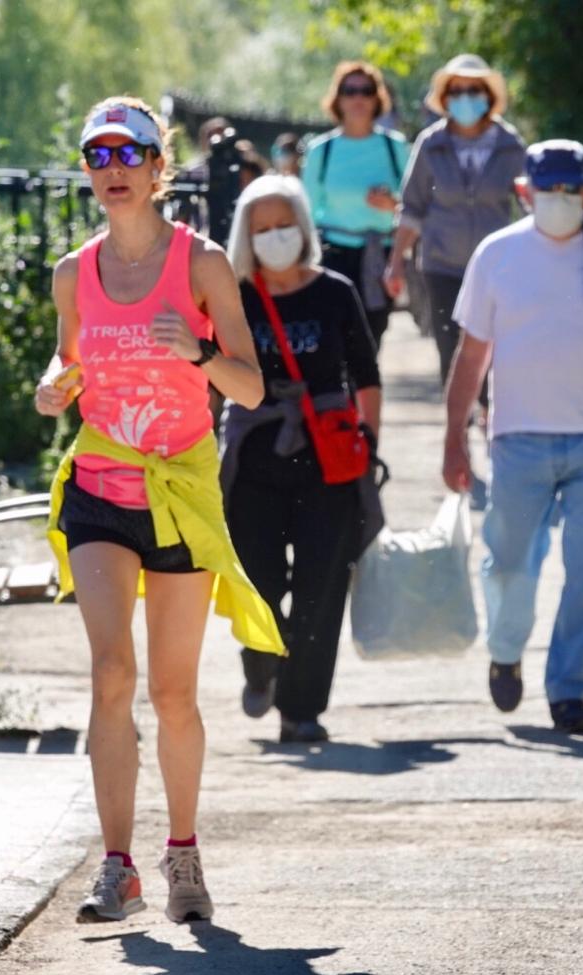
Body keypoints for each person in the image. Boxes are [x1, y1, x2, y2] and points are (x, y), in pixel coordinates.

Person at [35, 96, 284, 926]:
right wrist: (53, 383)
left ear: (156, 166)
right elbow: (69, 359)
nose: (111, 170)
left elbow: (250, 385)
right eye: (95, 157)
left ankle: (182, 854)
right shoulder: (74, 272)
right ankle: (116, 867)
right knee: (112, 674)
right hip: (102, 486)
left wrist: (201, 350)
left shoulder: (202, 263)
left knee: (174, 692)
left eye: (127, 154)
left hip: (180, 492)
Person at [443, 139, 583, 735]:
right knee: (510, 563)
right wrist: (453, 438)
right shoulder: (498, 255)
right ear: (526, 193)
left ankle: (568, 690)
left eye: (572, 190)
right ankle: (507, 648)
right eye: (550, 190)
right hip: (519, 441)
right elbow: (473, 355)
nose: (561, 200)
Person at [221, 175, 382, 744]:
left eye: (284, 225)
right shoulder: (232, 294)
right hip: (254, 457)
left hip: (329, 459)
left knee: (321, 585)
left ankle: (301, 708)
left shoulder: (335, 291)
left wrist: (370, 449)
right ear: (246, 234)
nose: (275, 237)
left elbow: (366, 375)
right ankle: (261, 659)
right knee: (258, 579)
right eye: (262, 228)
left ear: (304, 228)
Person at [385, 54, 526, 391]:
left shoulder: (510, 145)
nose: (465, 97)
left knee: (497, 348)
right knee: (451, 350)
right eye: (457, 90)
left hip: (498, 266)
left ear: (488, 95)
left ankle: (490, 420)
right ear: (445, 98)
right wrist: (396, 265)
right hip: (442, 265)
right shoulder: (431, 144)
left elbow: (530, 205)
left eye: (473, 89)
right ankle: (457, 430)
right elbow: (412, 209)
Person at [301, 60, 410, 351]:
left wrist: (393, 206)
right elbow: (305, 215)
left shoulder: (395, 147)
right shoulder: (320, 151)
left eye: (367, 90)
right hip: (333, 257)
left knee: (371, 343)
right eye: (350, 91)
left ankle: (366, 397)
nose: (358, 98)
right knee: (334, 341)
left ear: (378, 97)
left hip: (380, 258)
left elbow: (415, 207)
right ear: (338, 98)